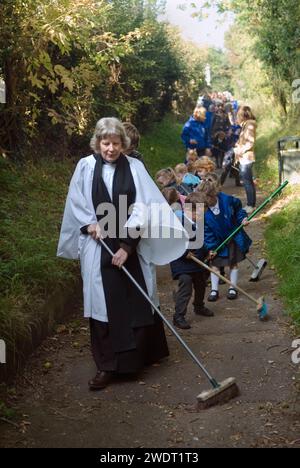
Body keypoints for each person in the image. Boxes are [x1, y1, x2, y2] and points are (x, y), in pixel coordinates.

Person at [57, 117, 188, 390]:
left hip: (128, 242)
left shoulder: (135, 168)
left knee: (135, 298)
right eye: (106, 143)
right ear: (98, 142)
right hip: (97, 246)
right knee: (102, 303)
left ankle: (134, 362)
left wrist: (126, 246)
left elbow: (144, 206)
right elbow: (77, 200)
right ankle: (107, 365)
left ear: (123, 144)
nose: (110, 149)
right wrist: (89, 224)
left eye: (116, 143)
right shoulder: (85, 166)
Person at [198, 181, 252, 302]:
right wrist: (211, 247)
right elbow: (206, 231)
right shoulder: (203, 210)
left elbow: (239, 209)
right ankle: (214, 289)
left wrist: (243, 218)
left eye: (207, 198)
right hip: (216, 240)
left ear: (214, 194)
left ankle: (233, 287)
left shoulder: (227, 200)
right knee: (215, 264)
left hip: (231, 237)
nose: (204, 201)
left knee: (233, 263)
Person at [168, 192, 214, 329]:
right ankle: (179, 316)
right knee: (186, 284)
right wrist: (183, 253)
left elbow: (200, 240)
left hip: (197, 260)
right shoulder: (178, 222)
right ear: (188, 209)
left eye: (202, 213)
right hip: (181, 262)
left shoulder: (198, 222)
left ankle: (199, 306)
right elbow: (172, 242)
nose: (200, 216)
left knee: (201, 283)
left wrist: (207, 252)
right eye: (198, 213)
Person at [234, 106, 257, 214]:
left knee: (247, 182)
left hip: (246, 157)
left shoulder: (250, 124)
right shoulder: (246, 125)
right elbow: (244, 140)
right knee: (248, 182)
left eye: (238, 115)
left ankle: (250, 205)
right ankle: (250, 204)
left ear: (243, 115)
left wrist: (240, 151)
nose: (237, 118)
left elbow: (250, 142)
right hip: (244, 157)